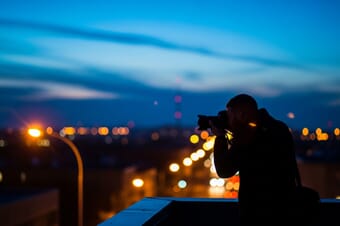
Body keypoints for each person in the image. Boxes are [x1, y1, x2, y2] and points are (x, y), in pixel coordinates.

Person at [208, 93, 300, 226]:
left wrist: (221, 137)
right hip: (286, 208)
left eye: (231, 115)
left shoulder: (249, 136)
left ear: (242, 115)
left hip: (256, 212)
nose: (230, 120)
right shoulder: (279, 128)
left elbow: (224, 170)